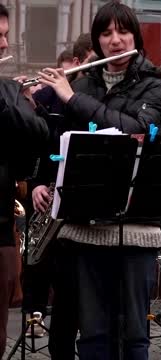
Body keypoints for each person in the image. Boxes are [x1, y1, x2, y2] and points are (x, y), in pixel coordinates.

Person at [36, 2, 161, 359]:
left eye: (123, 32)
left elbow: (136, 131)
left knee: (135, 336)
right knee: (93, 334)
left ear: (135, 35)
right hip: (86, 227)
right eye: (106, 33)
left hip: (137, 226)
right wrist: (41, 177)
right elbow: (59, 144)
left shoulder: (156, 85)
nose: (115, 40)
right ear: (97, 40)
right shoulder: (82, 83)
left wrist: (71, 97)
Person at [24, 32, 94, 360]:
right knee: (63, 294)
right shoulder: (53, 99)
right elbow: (42, 144)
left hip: (91, 210)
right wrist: (36, 182)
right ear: (81, 61)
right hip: (55, 206)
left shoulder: (102, 100)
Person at [0, 4, 48, 358]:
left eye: (5, 35)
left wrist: (23, 104)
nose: (4, 45)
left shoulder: (6, 93)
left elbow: (29, 155)